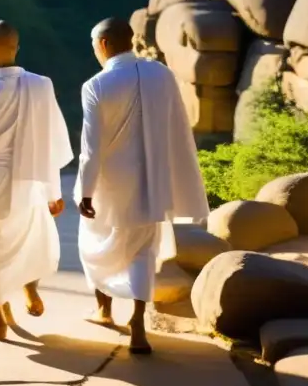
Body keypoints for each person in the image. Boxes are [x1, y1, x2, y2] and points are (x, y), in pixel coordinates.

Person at [75, 18, 209, 354]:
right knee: (143, 253)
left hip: (111, 184)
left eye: (94, 43)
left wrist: (85, 191)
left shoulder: (96, 85)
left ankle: (104, 310)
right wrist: (176, 180)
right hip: (154, 179)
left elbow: (91, 148)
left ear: (103, 44)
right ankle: (137, 320)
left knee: (94, 242)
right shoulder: (161, 74)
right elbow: (178, 128)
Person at [0, 21, 73, 340]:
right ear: (16, 47)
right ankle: (30, 291)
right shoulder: (42, 85)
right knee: (29, 239)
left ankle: (0, 322)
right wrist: (54, 191)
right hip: (32, 182)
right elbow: (53, 138)